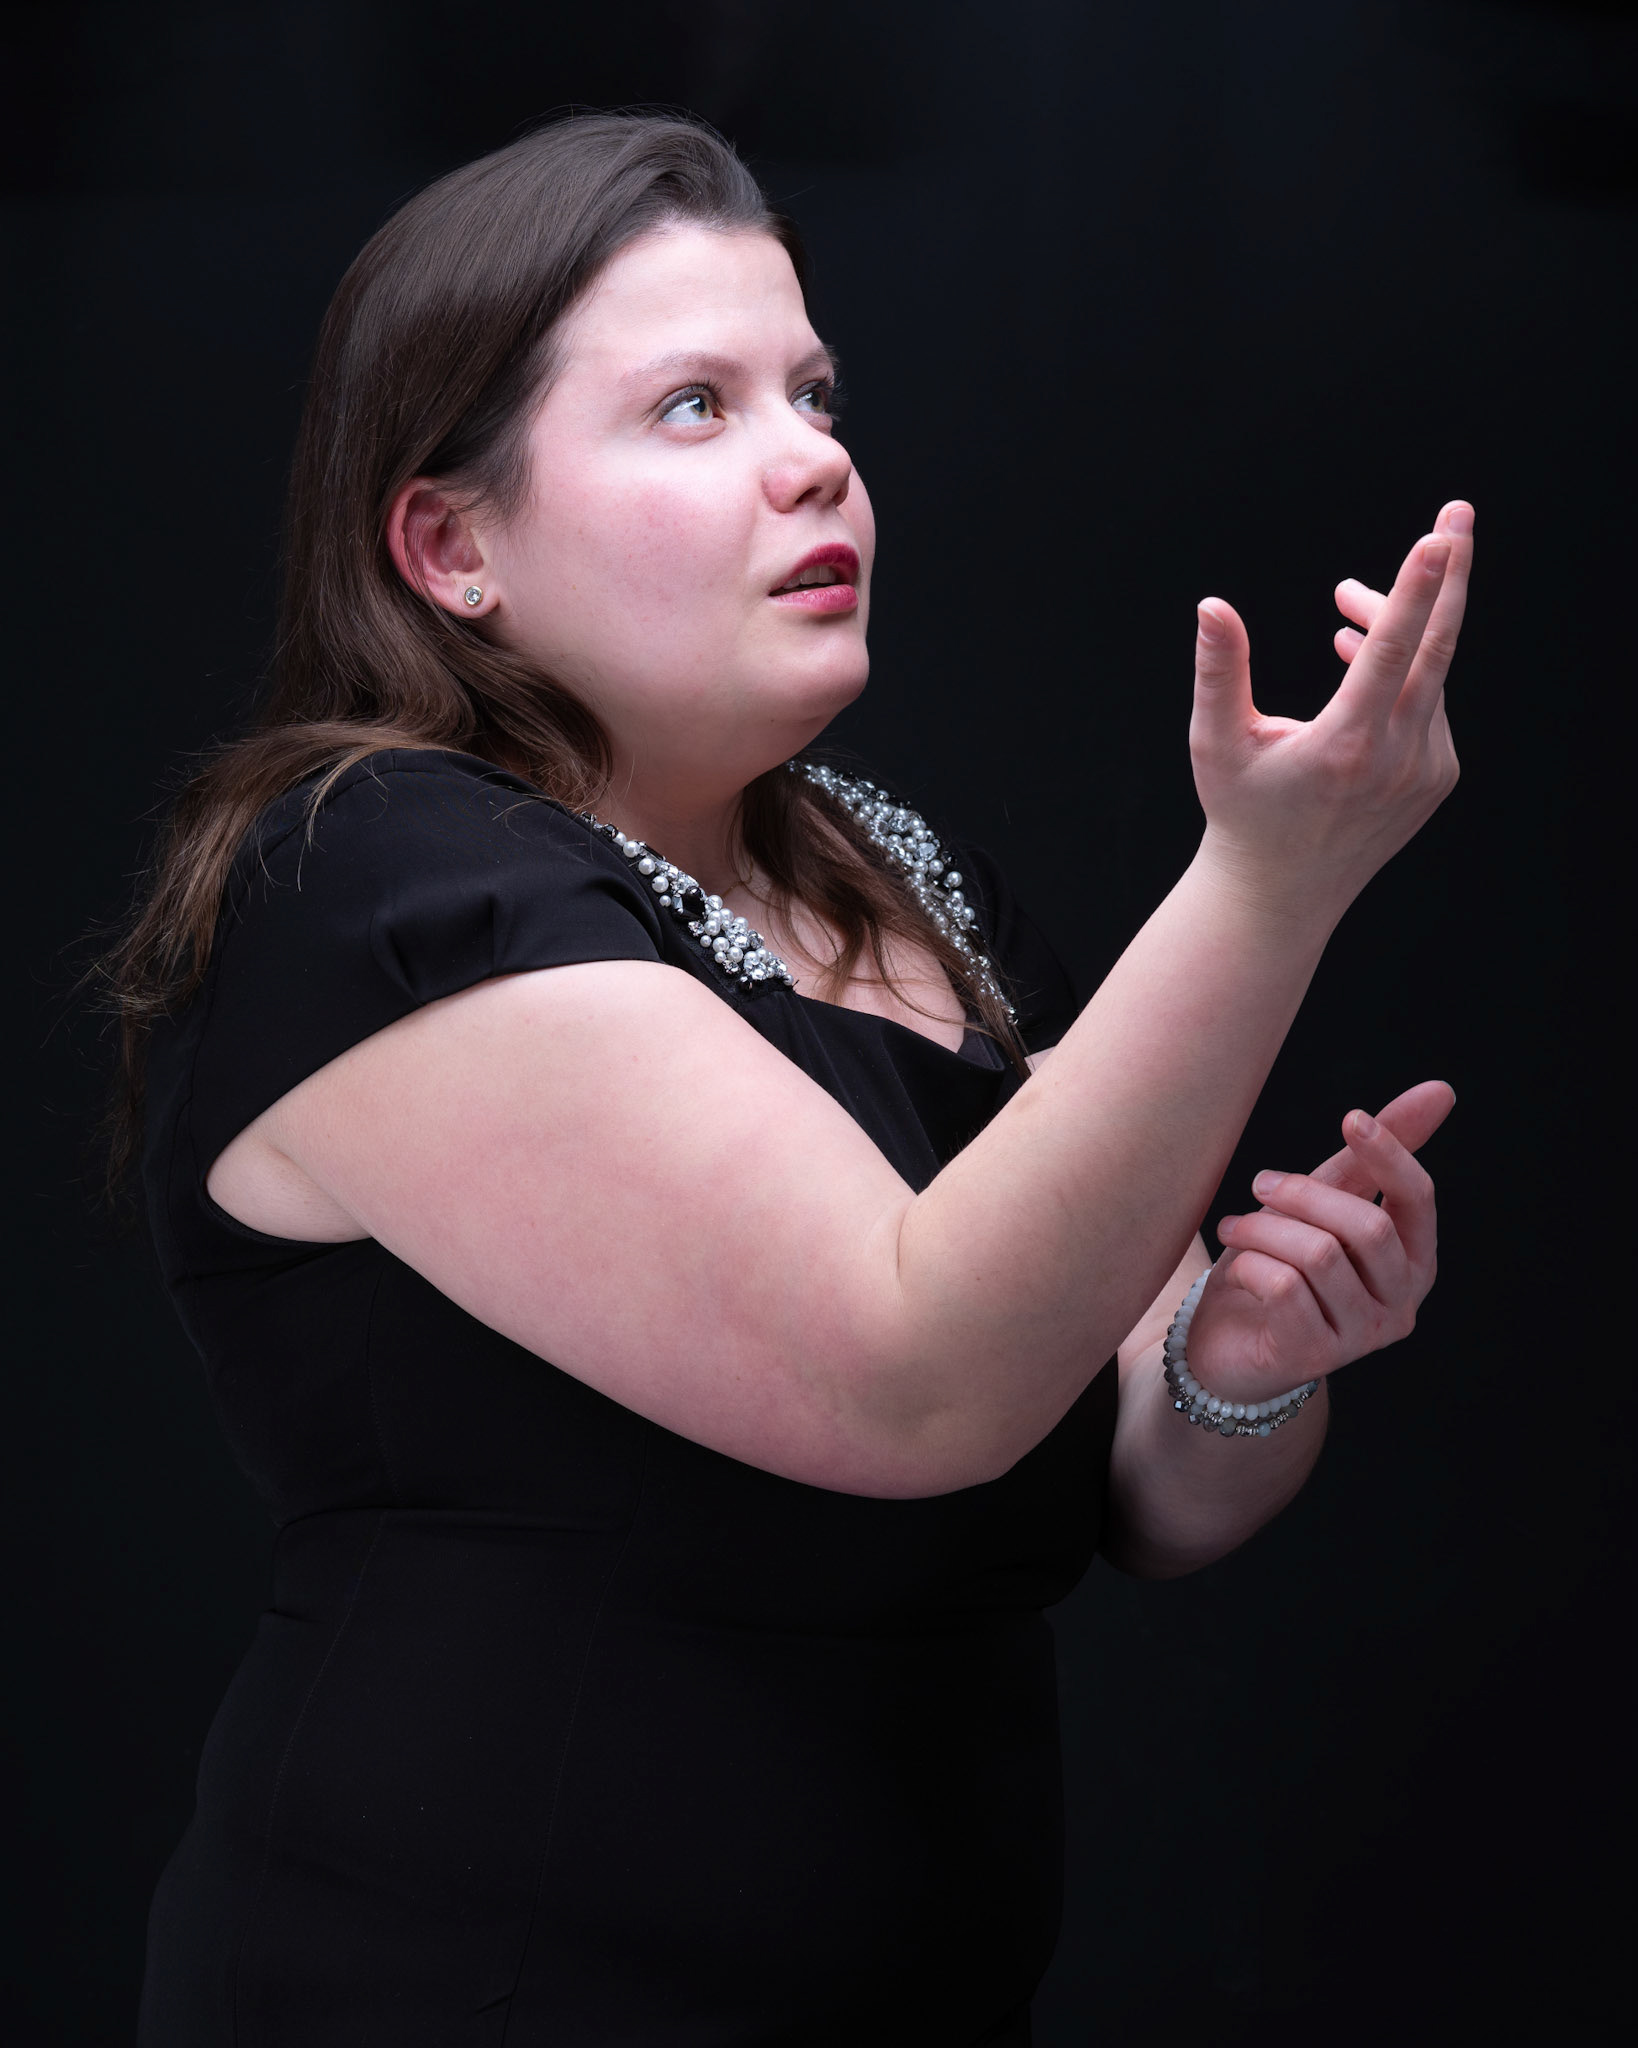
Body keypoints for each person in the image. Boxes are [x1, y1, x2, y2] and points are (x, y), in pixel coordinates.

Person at [110, 112, 1467, 2045]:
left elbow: (1137, 1489)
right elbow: (912, 1378)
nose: (815, 456)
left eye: (813, 394)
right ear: (451, 547)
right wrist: (1270, 883)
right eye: (693, 406)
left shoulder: (898, 874)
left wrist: (1238, 1365)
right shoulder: (376, 874)